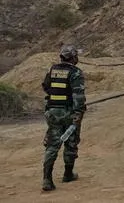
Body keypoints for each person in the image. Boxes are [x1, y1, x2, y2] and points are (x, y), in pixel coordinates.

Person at [41, 45, 86, 191]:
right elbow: (78, 95)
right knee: (71, 142)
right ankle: (68, 174)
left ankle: (47, 179)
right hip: (69, 112)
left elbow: (45, 86)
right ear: (73, 58)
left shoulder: (52, 69)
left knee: (52, 145)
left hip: (52, 111)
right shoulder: (75, 72)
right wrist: (78, 113)